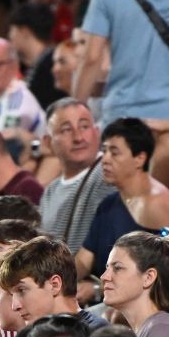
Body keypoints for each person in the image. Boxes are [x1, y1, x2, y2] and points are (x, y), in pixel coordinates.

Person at [77, 119, 169, 277]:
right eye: (104, 151)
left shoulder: (159, 204)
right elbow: (84, 260)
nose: (105, 159)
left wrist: (97, 289)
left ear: (140, 158)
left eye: (114, 153)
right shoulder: (108, 204)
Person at [36, 101, 114, 252]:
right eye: (66, 130)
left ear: (97, 132)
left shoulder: (108, 173)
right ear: (48, 142)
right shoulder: (50, 191)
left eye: (84, 126)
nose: (78, 137)